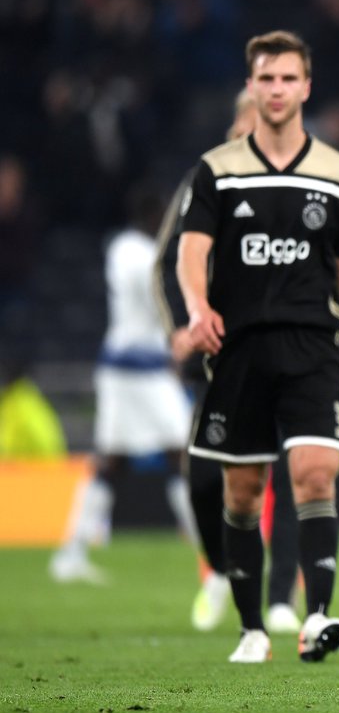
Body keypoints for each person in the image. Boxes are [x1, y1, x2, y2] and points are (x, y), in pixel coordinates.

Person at [177, 30, 339, 663]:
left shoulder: (338, 173)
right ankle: (252, 629)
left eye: (288, 78)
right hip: (239, 349)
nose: (277, 89)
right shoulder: (218, 169)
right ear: (251, 85)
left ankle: (316, 617)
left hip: (314, 345)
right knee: (242, 491)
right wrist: (198, 308)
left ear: (306, 87)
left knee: (315, 475)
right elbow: (191, 249)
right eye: (266, 78)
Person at [153, 89, 302, 634]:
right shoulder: (206, 178)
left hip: (291, 348)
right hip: (221, 352)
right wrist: (182, 323)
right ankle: (219, 568)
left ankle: (281, 596)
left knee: (291, 472)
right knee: (203, 480)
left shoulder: (307, 176)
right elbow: (167, 260)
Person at [50, 185, 198, 584]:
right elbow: (159, 302)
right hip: (141, 368)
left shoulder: (121, 247)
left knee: (114, 462)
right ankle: (212, 553)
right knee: (178, 453)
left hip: (122, 366)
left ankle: (71, 552)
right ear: (152, 216)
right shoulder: (143, 255)